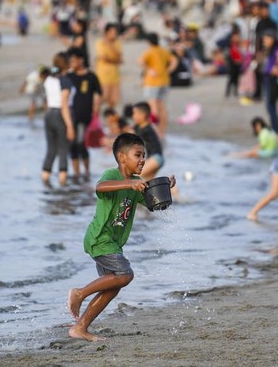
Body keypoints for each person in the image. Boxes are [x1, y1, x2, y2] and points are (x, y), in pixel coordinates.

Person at [67, 133, 176, 342]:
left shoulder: (137, 184)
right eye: (138, 155)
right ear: (122, 156)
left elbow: (156, 205)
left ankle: (79, 328)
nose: (143, 159)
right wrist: (128, 184)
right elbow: (100, 187)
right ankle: (79, 294)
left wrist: (165, 188)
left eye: (144, 155)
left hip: (112, 243)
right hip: (100, 238)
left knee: (114, 286)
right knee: (125, 274)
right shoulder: (113, 175)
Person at [66, 48, 102, 182]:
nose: (72, 63)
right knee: (72, 145)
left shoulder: (91, 76)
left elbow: (98, 94)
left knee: (81, 143)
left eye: (74, 60)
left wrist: (96, 112)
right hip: (71, 116)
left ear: (81, 60)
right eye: (70, 60)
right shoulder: (69, 76)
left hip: (85, 116)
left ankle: (86, 171)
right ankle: (76, 173)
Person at [41, 52, 74, 187]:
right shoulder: (65, 81)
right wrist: (70, 126)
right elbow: (64, 105)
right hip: (60, 114)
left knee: (50, 150)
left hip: (49, 114)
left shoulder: (49, 79)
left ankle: (45, 181)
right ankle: (62, 185)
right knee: (63, 150)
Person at [139, 33, 177, 137]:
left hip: (152, 82)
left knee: (153, 107)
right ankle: (162, 132)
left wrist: (149, 69)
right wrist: (169, 70)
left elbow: (141, 61)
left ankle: (155, 132)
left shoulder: (150, 51)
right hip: (164, 81)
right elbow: (174, 60)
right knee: (162, 107)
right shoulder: (164, 51)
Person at [131, 102, 164, 180]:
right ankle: (172, 190)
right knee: (149, 183)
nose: (133, 116)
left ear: (142, 115)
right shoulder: (138, 127)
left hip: (155, 158)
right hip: (153, 159)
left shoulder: (147, 129)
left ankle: (171, 185)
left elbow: (130, 139)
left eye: (134, 114)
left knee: (134, 177)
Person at [95, 23, 123, 109]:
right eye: (112, 32)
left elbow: (119, 59)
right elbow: (104, 58)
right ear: (107, 32)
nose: (114, 35)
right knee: (99, 100)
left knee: (112, 101)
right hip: (103, 76)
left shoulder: (117, 43)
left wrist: (110, 46)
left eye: (115, 33)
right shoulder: (100, 43)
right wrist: (115, 60)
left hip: (115, 76)